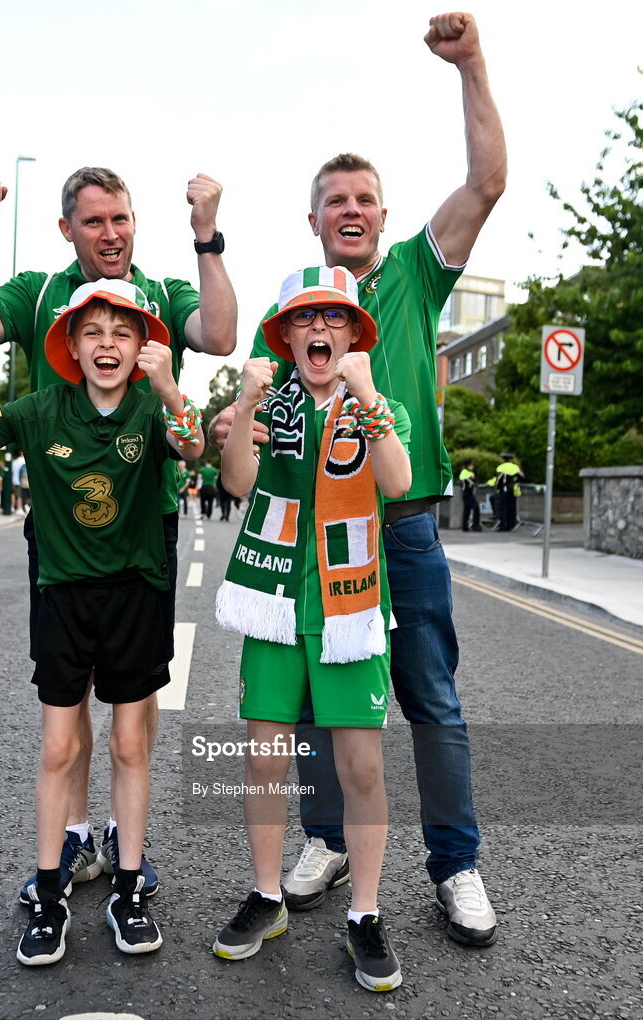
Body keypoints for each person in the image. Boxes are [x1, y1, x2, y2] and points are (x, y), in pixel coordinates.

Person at [211, 12, 505, 948]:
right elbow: (252, 434)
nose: (351, 209)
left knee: (430, 697)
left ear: (383, 212)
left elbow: (488, 181)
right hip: (308, 538)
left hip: (401, 523)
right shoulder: (296, 305)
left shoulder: (417, 274)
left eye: (365, 198)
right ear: (313, 218)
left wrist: (471, 65)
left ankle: (456, 864)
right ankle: (328, 841)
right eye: (335, 198)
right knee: (305, 696)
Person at [0, 165, 236, 904]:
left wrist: (206, 233)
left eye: (122, 219)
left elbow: (222, 335)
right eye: (95, 222)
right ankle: (72, 838)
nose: (112, 233)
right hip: (65, 529)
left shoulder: (161, 297)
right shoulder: (40, 293)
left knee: (132, 700)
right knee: (72, 698)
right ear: (68, 229)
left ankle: (124, 835)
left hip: (147, 521)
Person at [0, 280, 205, 966]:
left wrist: (168, 387)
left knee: (130, 745)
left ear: (142, 346)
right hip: (64, 596)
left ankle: (128, 888)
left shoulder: (149, 408)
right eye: (92, 331)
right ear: (71, 347)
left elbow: (194, 449)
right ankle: (49, 894)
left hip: (136, 592)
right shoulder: (41, 408)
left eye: (122, 331)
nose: (107, 342)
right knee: (58, 748)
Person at [213, 267, 411, 991]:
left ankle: (364, 912)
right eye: (303, 319)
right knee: (265, 760)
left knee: (361, 766)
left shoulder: (375, 405)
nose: (318, 329)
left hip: (351, 603)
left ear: (355, 335)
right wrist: (244, 400)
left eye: (334, 318)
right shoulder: (271, 403)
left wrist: (367, 396)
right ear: (286, 336)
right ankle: (267, 897)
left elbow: (395, 480)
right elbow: (236, 482)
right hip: (273, 598)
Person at [489, 453, 524, 531]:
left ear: (503, 459)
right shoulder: (515, 467)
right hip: (512, 490)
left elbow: (498, 479)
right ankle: (511, 525)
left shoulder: (500, 467)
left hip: (503, 490)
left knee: (502, 508)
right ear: (511, 460)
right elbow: (522, 477)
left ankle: (502, 526)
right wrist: (515, 482)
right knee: (511, 508)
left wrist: (494, 485)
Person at [459, 459, 482, 532]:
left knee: (467, 510)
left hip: (467, 494)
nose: (472, 466)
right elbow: (473, 482)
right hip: (468, 494)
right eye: (471, 465)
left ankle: (465, 527)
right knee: (476, 508)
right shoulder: (466, 473)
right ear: (467, 466)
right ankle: (475, 526)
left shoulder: (467, 472)